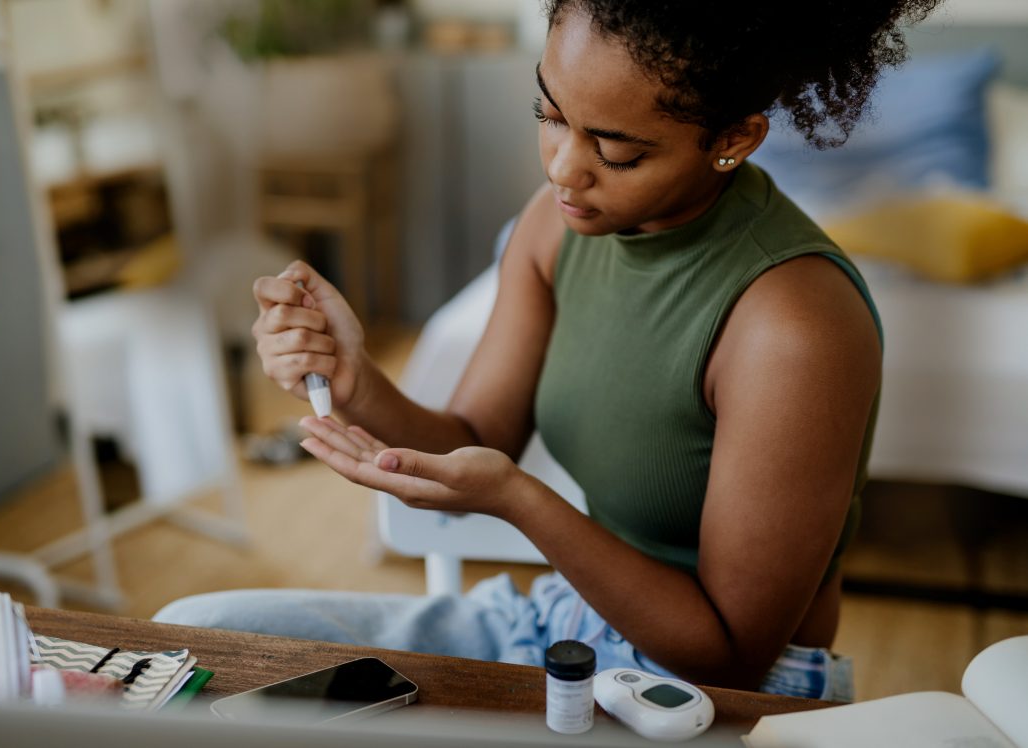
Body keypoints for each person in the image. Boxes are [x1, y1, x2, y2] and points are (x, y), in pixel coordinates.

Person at [156, 0, 940, 700]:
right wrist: (358, 378)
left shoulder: (794, 324)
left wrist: (520, 498)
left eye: (618, 152)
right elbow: (473, 438)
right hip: (565, 630)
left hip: (714, 704)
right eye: (550, 113)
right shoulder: (554, 227)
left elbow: (728, 657)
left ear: (733, 140)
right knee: (197, 635)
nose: (565, 170)